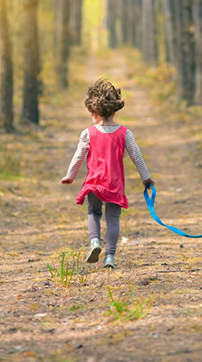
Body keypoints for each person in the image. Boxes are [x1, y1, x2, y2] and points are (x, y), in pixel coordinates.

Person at [61, 79, 155, 269]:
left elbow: (78, 155)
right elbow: (136, 156)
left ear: (95, 113)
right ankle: (110, 257)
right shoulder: (125, 133)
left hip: (94, 183)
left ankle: (95, 242)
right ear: (113, 111)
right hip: (114, 184)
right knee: (113, 218)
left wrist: (70, 175)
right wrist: (146, 178)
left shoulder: (88, 133)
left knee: (93, 212)